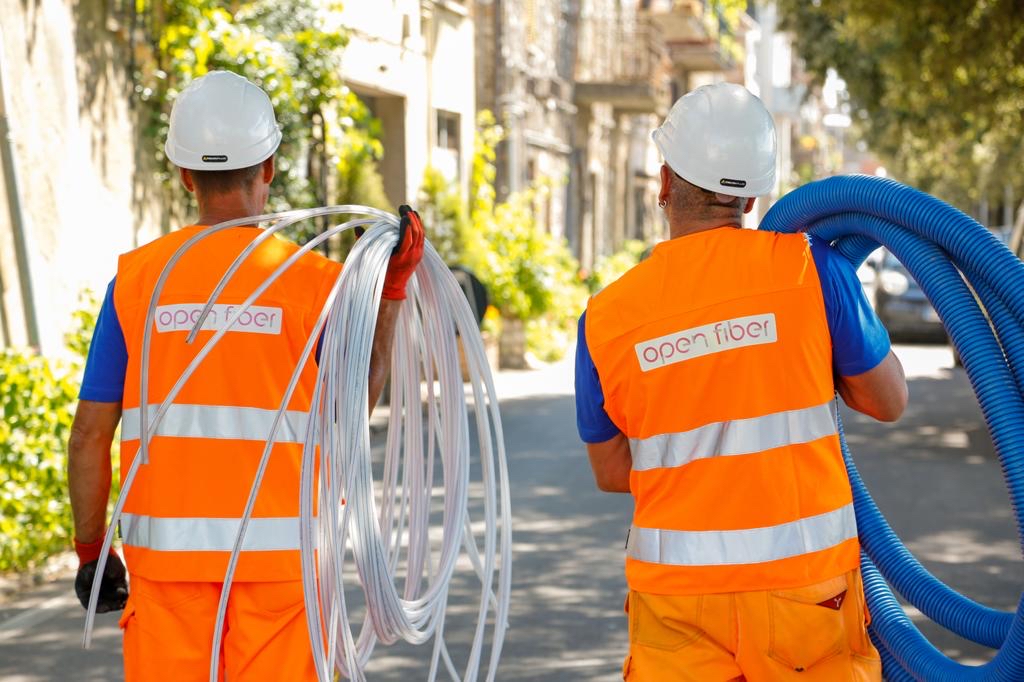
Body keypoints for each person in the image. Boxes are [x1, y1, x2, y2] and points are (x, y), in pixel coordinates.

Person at [67, 70, 424, 680]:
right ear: (269, 167)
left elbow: (90, 435)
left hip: (166, 572)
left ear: (184, 176)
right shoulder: (314, 285)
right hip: (282, 573)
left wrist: (92, 551)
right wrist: (387, 294)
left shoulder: (135, 283)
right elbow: (351, 411)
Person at [574, 83, 907, 681]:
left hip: (676, 603)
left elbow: (610, 471)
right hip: (803, 595)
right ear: (752, 197)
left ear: (665, 183)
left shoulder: (606, 317)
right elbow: (888, 401)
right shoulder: (812, 270)